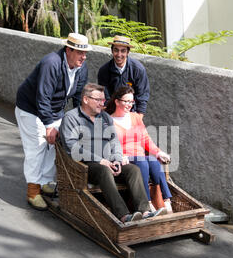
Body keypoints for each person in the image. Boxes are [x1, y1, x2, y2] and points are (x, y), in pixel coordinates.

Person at [59, 83, 162, 223]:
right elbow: (72, 147)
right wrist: (100, 160)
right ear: (85, 99)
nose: (102, 103)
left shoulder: (105, 118)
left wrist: (117, 160)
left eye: (103, 100)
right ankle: (123, 214)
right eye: (98, 100)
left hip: (109, 161)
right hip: (85, 165)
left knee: (133, 169)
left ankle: (144, 211)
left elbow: (115, 143)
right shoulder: (71, 118)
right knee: (103, 170)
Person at [15, 33, 91, 211]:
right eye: (80, 52)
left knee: (55, 144)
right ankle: (33, 190)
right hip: (30, 108)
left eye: (85, 53)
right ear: (68, 50)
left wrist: (80, 121)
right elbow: (43, 97)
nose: (84, 56)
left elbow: (79, 97)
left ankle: (45, 182)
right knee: (38, 145)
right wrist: (49, 125)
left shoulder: (82, 67)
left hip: (55, 110)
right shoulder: (51, 63)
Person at [105, 86, 173, 214]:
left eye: (131, 102)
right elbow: (107, 144)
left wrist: (159, 152)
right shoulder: (109, 120)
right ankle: (146, 204)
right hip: (125, 158)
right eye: (126, 101)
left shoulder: (135, 117)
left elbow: (146, 139)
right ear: (117, 101)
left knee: (153, 161)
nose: (129, 105)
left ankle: (166, 201)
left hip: (140, 156)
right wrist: (119, 156)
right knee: (142, 161)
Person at [97, 35, 150, 116]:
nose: (119, 54)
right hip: (112, 113)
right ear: (111, 51)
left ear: (128, 52)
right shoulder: (104, 71)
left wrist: (138, 118)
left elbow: (142, 96)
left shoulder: (138, 69)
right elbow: (105, 97)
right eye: (116, 50)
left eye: (123, 51)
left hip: (132, 112)